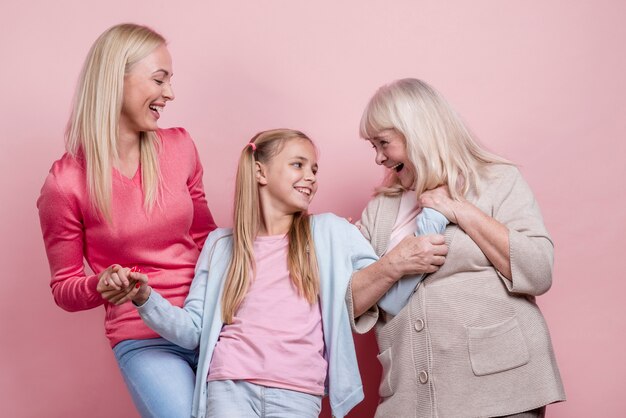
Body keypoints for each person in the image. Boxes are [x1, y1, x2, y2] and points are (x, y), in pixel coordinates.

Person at [129, 129, 440, 418]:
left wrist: (433, 218)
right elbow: (192, 331)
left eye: (314, 169)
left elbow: (389, 294)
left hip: (298, 391)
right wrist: (146, 299)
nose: (310, 177)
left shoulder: (331, 232)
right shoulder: (221, 245)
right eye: (298, 165)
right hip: (229, 385)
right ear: (260, 172)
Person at [349, 78, 566, 417]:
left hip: (501, 390)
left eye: (383, 143)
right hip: (411, 399)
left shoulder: (496, 181)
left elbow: (538, 271)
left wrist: (461, 210)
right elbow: (348, 300)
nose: (378, 157)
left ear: (416, 131)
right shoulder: (380, 211)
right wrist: (394, 264)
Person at [37, 23, 217, 418]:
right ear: (116, 79)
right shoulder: (65, 182)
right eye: (159, 79)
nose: (170, 93)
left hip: (210, 322)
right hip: (144, 339)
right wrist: (99, 285)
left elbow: (209, 240)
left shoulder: (181, 146)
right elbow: (64, 287)